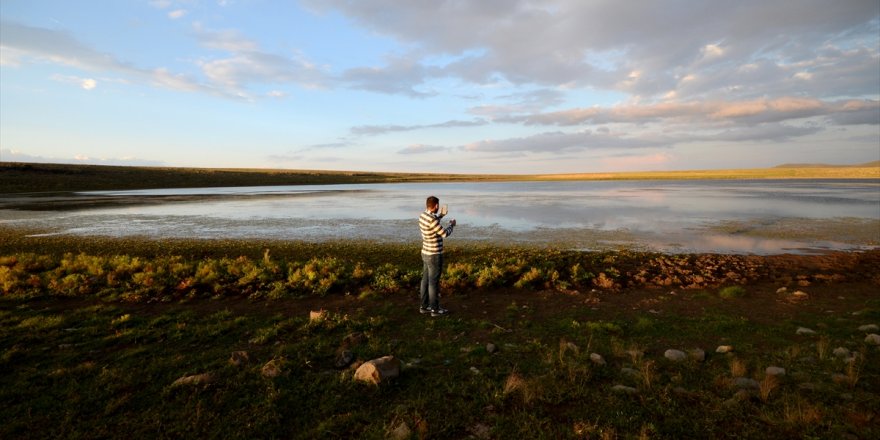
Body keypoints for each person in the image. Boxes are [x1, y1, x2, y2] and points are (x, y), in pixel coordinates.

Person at [418, 195, 456, 317]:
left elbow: (433, 222)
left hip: (425, 252)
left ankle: (424, 307)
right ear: (436, 206)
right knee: (433, 283)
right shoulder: (432, 219)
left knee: (425, 280)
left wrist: (441, 215)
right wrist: (452, 225)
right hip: (434, 255)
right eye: (438, 207)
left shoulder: (423, 216)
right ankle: (435, 310)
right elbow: (444, 234)